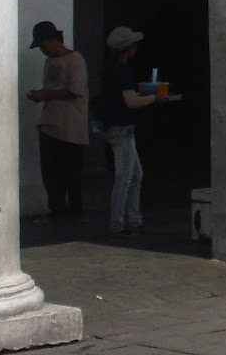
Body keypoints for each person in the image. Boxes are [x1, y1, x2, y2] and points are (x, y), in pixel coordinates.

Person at [100, 25, 181, 236]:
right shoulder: (122, 71)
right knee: (125, 177)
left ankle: (134, 219)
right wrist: (154, 98)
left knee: (135, 175)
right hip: (122, 128)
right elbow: (130, 101)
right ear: (129, 48)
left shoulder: (110, 70)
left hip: (115, 126)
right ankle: (118, 223)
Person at [26, 20, 89, 220]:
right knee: (51, 173)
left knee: (71, 173)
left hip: (71, 127)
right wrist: (42, 94)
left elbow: (75, 89)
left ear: (52, 40)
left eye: (43, 45)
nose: (42, 50)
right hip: (49, 124)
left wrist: (45, 95)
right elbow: (53, 88)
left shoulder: (75, 60)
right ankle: (57, 211)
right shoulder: (49, 62)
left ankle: (75, 212)